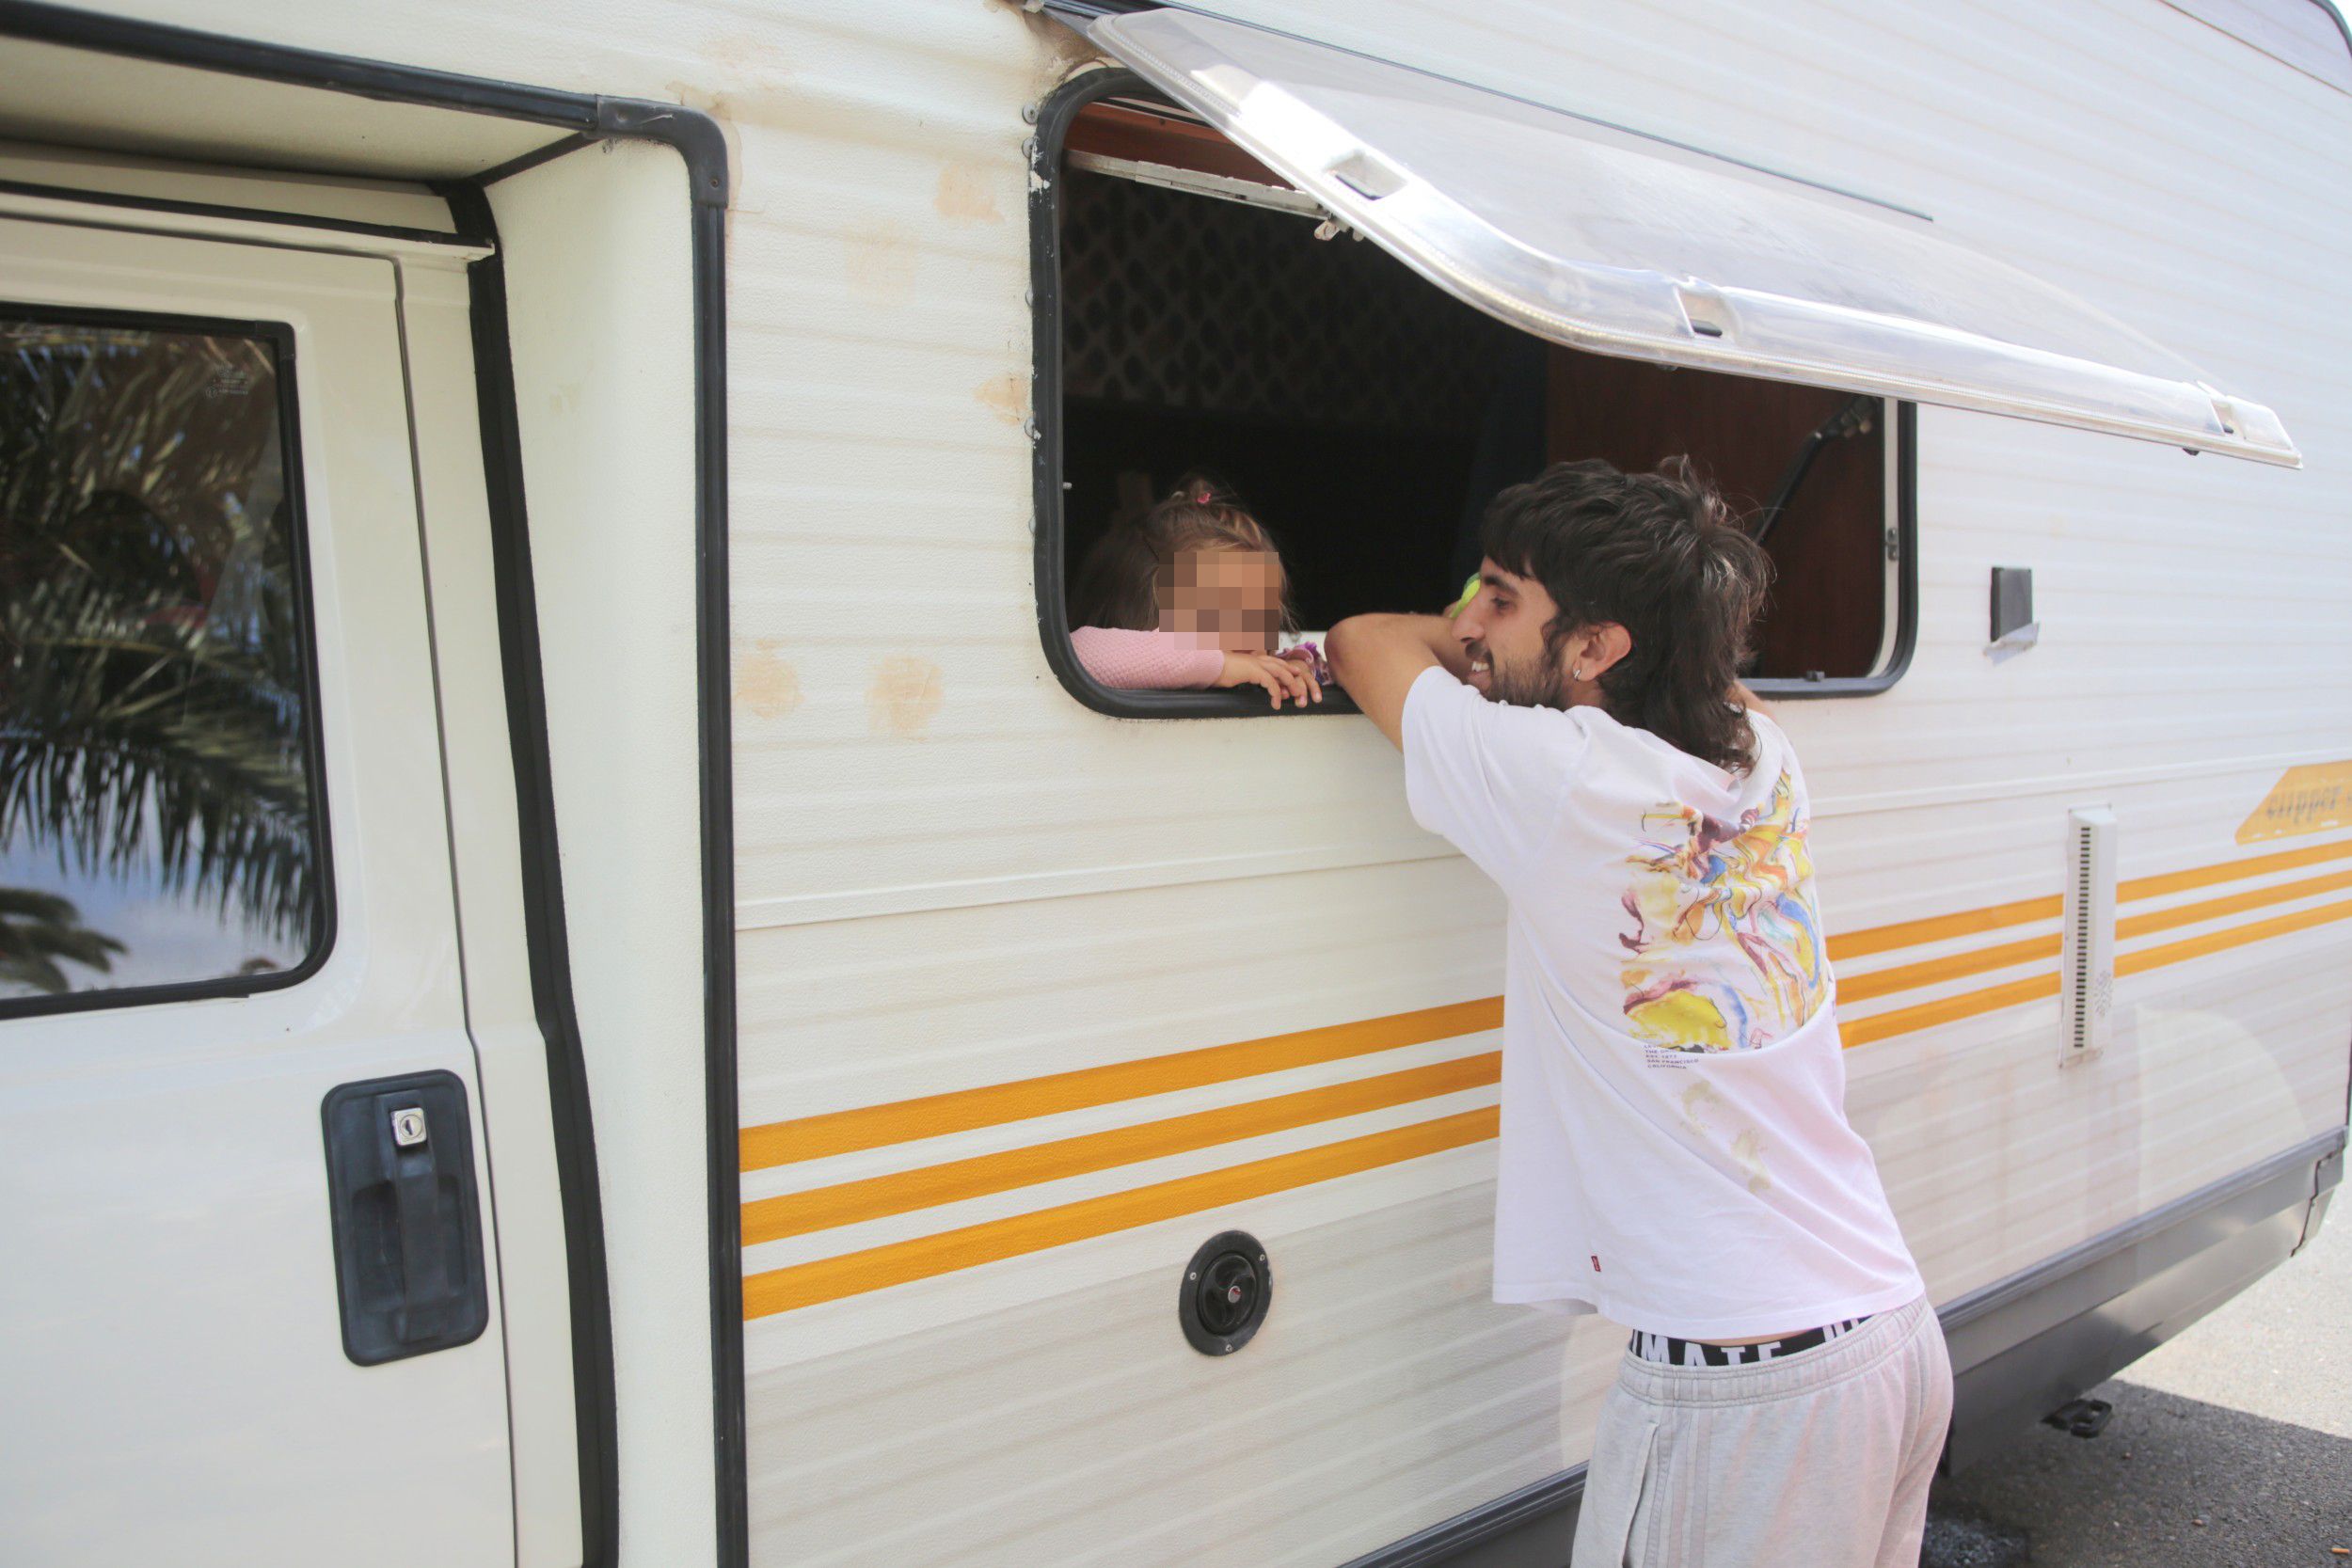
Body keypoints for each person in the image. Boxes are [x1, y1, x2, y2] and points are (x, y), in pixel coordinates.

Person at [1326, 458, 1949, 1568]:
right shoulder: (1761, 758)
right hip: (1888, 1330)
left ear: (1596, 647)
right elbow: (1713, 681)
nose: (1474, 620)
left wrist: (1459, 637)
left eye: (1502, 597)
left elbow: (1361, 639)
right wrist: (1536, 624)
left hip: (1749, 1385)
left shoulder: (1563, 778)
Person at [1068, 476, 1325, 709]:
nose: (1246, 631)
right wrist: (1219, 667)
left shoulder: (1257, 667)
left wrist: (1296, 669)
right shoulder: (1136, 656)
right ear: (1152, 612)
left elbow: (1327, 664)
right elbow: (1078, 653)